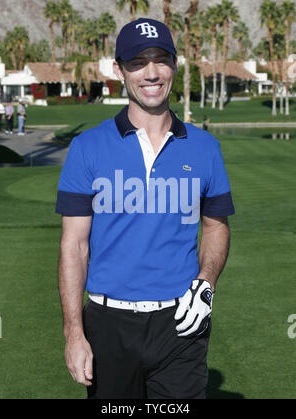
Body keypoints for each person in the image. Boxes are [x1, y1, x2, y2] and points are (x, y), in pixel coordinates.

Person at [56, 18, 235, 399]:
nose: (151, 73)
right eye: (137, 62)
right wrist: (74, 332)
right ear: (119, 69)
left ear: (174, 65)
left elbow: (216, 226)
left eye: (160, 59)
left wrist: (206, 283)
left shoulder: (206, 148)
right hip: (108, 325)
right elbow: (74, 245)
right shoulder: (87, 147)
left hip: (181, 324)